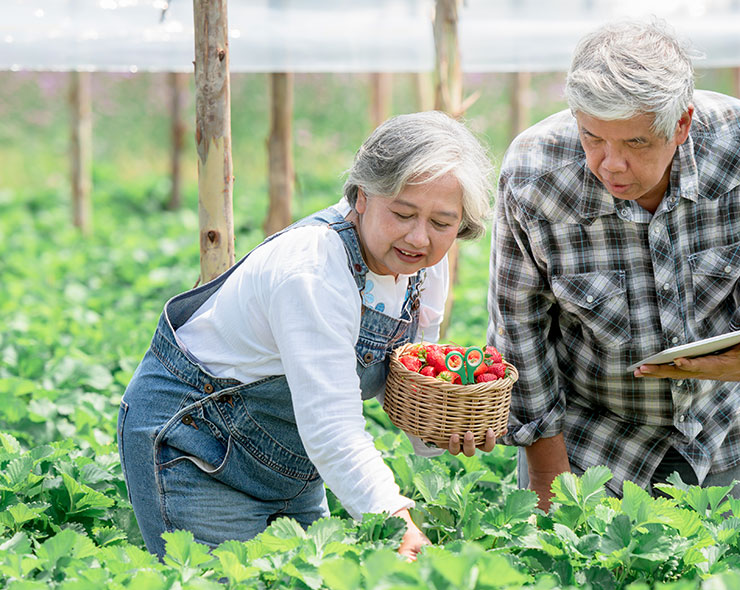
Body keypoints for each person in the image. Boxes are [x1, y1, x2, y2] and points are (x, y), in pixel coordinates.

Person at [118, 110, 496, 561]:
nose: (419, 237)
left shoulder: (423, 269)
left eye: (442, 223)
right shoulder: (313, 270)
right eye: (403, 213)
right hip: (199, 452)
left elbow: (409, 375)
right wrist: (395, 519)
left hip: (293, 463)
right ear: (361, 196)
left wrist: (437, 432)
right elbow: (331, 423)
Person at [488, 18, 740, 511]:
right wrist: (547, 475)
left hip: (721, 429)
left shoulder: (733, 151)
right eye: (593, 138)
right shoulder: (536, 175)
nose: (611, 164)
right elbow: (518, 328)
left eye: (636, 143)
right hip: (589, 444)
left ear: (682, 124)